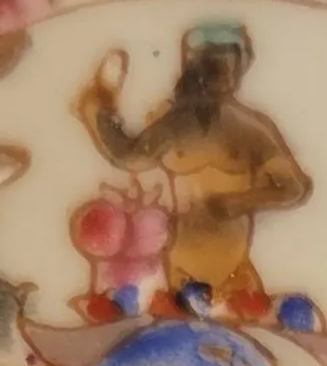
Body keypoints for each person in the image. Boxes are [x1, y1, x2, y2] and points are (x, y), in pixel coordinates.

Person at [74, 18, 310, 305]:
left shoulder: (251, 130)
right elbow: (128, 156)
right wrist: (98, 107)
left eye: (226, 63)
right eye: (208, 64)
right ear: (192, 67)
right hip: (179, 267)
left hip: (235, 269)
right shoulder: (176, 125)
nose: (218, 74)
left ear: (239, 67)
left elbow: (294, 188)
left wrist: (241, 201)